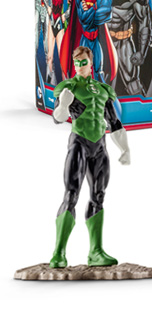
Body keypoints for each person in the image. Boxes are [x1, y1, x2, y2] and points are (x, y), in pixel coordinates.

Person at [50, 46, 130, 268]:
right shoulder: (69, 87)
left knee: (98, 195)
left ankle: (96, 252)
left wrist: (125, 148)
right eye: (76, 63)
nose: (79, 66)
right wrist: (64, 104)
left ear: (91, 62)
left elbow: (114, 121)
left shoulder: (104, 89)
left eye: (83, 62)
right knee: (71, 194)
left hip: (100, 145)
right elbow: (57, 118)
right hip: (79, 142)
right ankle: (58, 253)